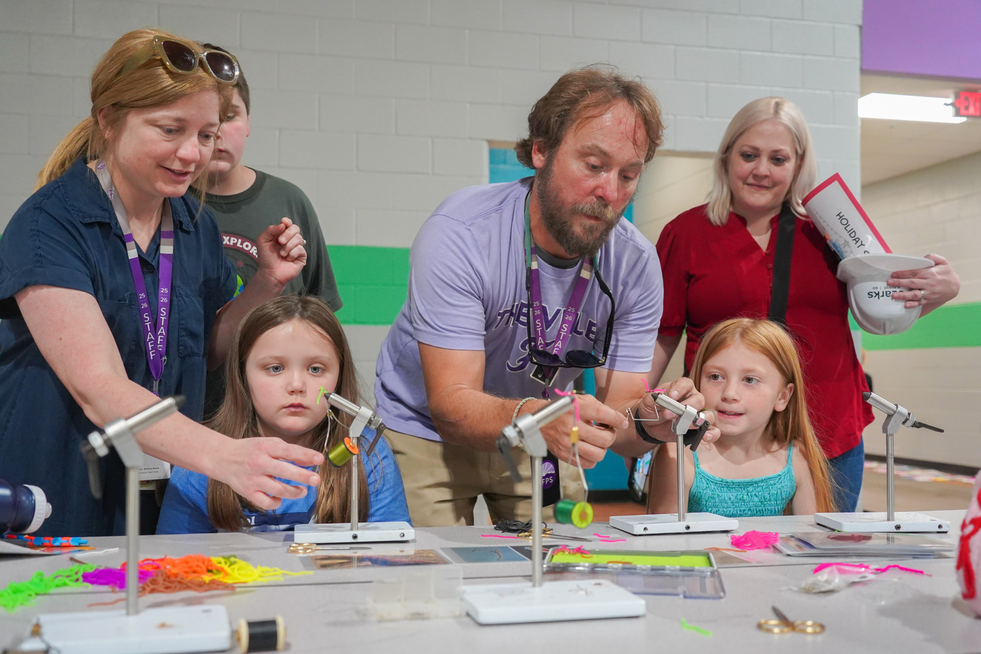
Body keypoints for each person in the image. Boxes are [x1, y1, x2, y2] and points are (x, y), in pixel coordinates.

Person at [0, 29, 326, 537]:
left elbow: (207, 348)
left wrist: (265, 284)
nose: (192, 154)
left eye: (206, 135)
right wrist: (224, 456)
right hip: (50, 475)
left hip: (151, 475)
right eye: (170, 129)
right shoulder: (50, 224)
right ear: (109, 120)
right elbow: (99, 387)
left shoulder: (194, 225)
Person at [374, 65, 718, 527]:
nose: (609, 192)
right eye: (593, 165)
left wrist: (653, 422)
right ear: (541, 150)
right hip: (427, 430)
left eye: (628, 175)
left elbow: (620, 422)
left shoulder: (635, 264)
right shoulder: (461, 233)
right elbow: (452, 404)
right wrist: (540, 417)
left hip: (544, 426)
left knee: (561, 559)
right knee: (429, 566)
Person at [651, 97, 960, 512]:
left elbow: (880, 313)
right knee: (712, 546)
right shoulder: (687, 233)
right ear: (726, 158)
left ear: (798, 166)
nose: (762, 170)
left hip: (826, 432)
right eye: (749, 155)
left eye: (778, 159)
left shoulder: (828, 233)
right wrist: (638, 419)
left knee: (820, 549)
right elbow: (662, 334)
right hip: (721, 439)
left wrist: (934, 293)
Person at [157, 296, 410, 533]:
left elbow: (392, 557)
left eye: (315, 369)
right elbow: (172, 559)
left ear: (339, 377)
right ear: (242, 375)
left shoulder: (367, 453)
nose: (296, 385)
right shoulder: (204, 458)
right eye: (275, 368)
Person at [194, 44, 341, 420]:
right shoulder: (165, 205)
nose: (217, 132)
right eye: (204, 120)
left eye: (229, 116)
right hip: (193, 408)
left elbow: (320, 319)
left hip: (273, 417)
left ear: (248, 122)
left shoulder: (288, 200)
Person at [648, 318, 833, 516]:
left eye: (750, 380)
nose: (730, 393)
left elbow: (810, 533)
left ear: (782, 397)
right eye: (716, 377)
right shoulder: (677, 455)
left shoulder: (796, 457)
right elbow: (664, 534)